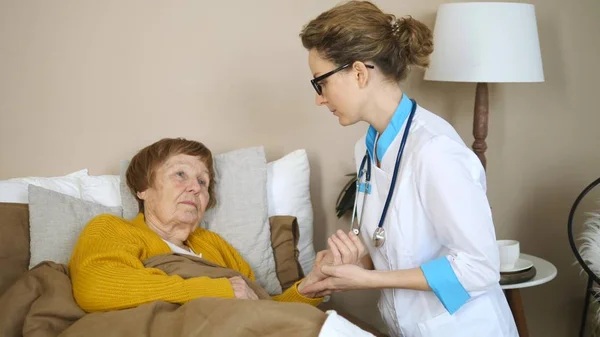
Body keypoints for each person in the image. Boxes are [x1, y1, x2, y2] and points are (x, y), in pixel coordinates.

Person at [298, 1, 519, 336]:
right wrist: (352, 262)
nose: (319, 98)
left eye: (320, 83)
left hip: (464, 327)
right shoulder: (367, 148)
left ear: (359, 72)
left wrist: (369, 280)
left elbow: (480, 268)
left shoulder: (435, 151)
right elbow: (392, 244)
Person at [69, 138, 324, 312]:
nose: (195, 187)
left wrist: (308, 289)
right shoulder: (112, 228)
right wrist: (215, 289)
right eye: (180, 175)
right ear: (143, 189)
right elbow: (95, 288)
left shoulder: (215, 246)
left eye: (203, 182)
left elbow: (261, 309)